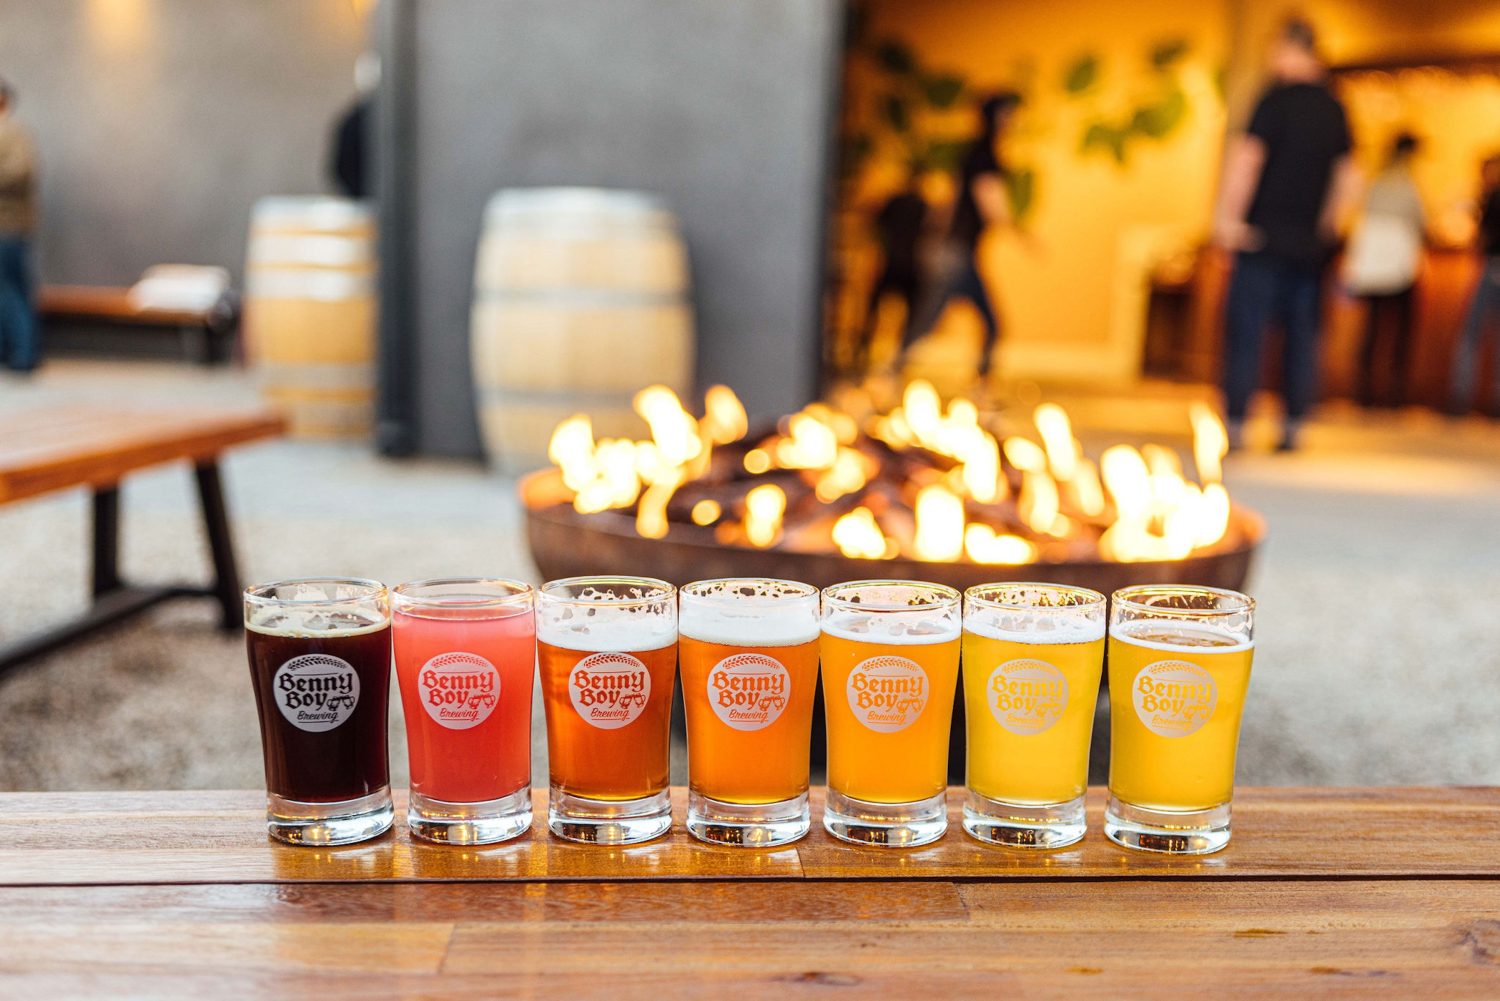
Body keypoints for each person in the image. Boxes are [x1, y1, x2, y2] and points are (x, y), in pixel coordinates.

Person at [1213, 19, 1358, 451]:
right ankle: (1293, 424)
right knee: (1301, 335)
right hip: (1308, 246)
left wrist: (1227, 220)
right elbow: (1348, 177)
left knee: (1246, 330)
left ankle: (1237, 422)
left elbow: (1247, 162)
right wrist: (1328, 227)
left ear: (1289, 47)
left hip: (1261, 237)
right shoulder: (1335, 107)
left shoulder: (1272, 101)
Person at [900, 91, 1019, 381]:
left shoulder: (972, 152)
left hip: (957, 249)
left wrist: (934, 233)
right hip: (957, 253)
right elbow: (989, 202)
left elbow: (949, 201)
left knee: (936, 318)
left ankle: (980, 382)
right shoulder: (985, 154)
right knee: (937, 319)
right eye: (1009, 114)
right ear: (997, 116)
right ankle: (891, 371)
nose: (1014, 121)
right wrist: (1022, 233)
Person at [1343, 132, 1425, 408]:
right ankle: (1393, 394)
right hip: (1398, 264)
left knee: (1372, 328)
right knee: (1400, 331)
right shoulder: (1408, 184)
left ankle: (1363, 391)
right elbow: (1420, 222)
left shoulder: (1376, 181)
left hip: (1373, 264)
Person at [852, 181, 926, 373]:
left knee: (873, 310)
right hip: (911, 263)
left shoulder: (893, 202)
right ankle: (903, 354)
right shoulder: (923, 205)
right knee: (912, 314)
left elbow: (876, 224)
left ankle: (861, 349)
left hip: (891, 260)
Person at [1447, 155, 1500, 417]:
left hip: (1492, 268)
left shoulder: (1493, 197)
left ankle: (1461, 396)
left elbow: (1482, 238)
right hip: (1490, 267)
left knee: (1471, 334)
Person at [0, 75, 38, 373]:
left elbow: (20, 172)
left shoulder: (12, 133)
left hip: (7, 228)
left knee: (11, 290)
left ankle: (24, 355)